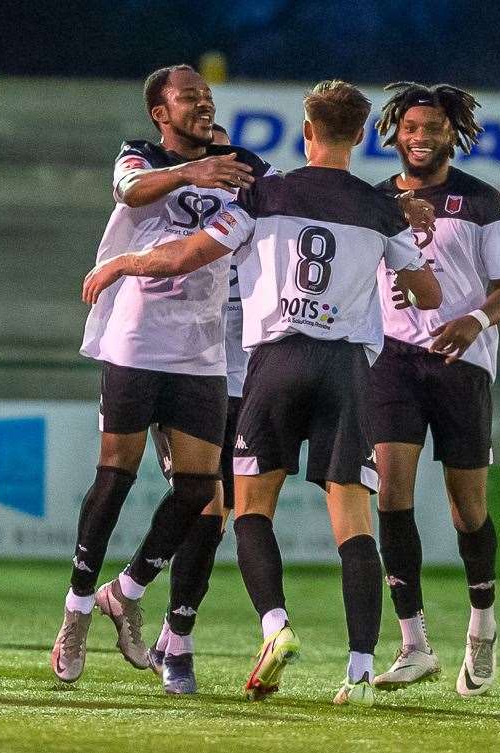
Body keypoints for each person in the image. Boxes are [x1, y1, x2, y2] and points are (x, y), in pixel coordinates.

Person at [81, 79, 443, 706]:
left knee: (248, 509)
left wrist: (118, 265)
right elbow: (429, 294)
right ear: (359, 136)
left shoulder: (265, 193)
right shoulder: (378, 206)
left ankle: (275, 627)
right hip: (347, 368)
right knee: (353, 520)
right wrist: (399, 257)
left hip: (274, 362)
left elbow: (183, 256)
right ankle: (359, 673)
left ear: (307, 131)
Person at [51, 64, 266, 686]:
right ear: (159, 113)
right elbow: (130, 192)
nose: (202, 104)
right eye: (188, 98)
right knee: (114, 477)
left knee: (200, 491)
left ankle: (128, 589)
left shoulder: (241, 164)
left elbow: (295, 199)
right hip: (136, 341)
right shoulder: (139, 156)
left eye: (207, 96)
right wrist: (194, 172)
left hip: (204, 352)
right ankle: (76, 611)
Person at [368, 82, 500, 697]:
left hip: (463, 361)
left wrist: (474, 320)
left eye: (431, 127)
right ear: (395, 133)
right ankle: (413, 643)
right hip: (393, 360)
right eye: (410, 127)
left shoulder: (481, 201)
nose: (420, 136)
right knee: (391, 493)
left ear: (449, 133)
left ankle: (481, 627)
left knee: (468, 507)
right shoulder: (377, 201)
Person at [143, 121, 276, 694]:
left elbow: (321, 197)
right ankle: (179, 645)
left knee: (219, 517)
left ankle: (171, 635)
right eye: (210, 150)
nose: (220, 159)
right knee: (207, 506)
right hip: (181, 368)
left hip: (247, 375)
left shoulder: (257, 202)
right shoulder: (163, 196)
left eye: (228, 151)